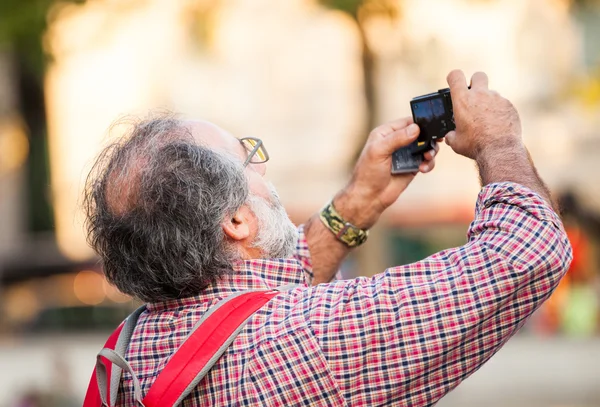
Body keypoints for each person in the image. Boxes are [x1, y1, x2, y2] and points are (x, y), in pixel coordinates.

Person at [84, 70, 572, 406]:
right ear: (236, 223)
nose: (264, 165)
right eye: (248, 158)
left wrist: (361, 198)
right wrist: (499, 140)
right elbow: (528, 251)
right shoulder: (307, 338)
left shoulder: (129, 349)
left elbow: (254, 293)